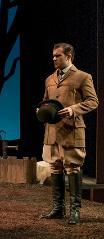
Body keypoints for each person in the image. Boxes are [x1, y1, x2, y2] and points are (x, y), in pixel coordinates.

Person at [39, 43, 99, 224]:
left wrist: (74, 109)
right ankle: (58, 209)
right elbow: (45, 101)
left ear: (69, 56)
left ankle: (75, 211)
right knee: (55, 168)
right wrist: (41, 109)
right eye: (53, 56)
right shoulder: (49, 79)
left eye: (58, 55)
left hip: (72, 131)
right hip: (52, 131)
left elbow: (93, 101)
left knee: (73, 168)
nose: (54, 59)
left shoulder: (82, 77)